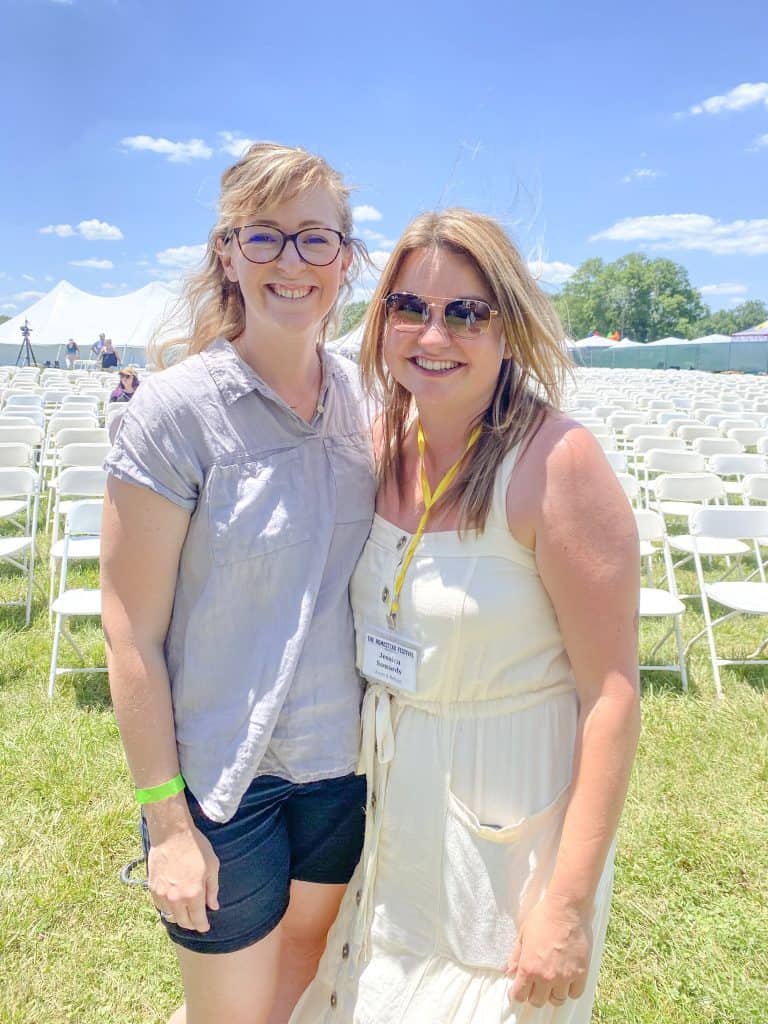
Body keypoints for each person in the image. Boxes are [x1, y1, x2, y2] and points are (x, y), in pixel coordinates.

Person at [291, 209, 641, 1022]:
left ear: (510, 329)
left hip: (512, 815)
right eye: (409, 308)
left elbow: (613, 696)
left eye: (466, 312)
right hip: (386, 799)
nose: (432, 334)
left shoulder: (557, 466)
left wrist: (567, 904)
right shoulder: (376, 446)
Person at [100, 143, 376, 1024]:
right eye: (264, 238)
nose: (291, 263)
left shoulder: (369, 403)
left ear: (345, 256)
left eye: (314, 240)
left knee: (301, 980)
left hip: (343, 768)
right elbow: (128, 631)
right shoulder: (173, 414)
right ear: (227, 252)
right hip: (224, 781)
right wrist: (166, 823)